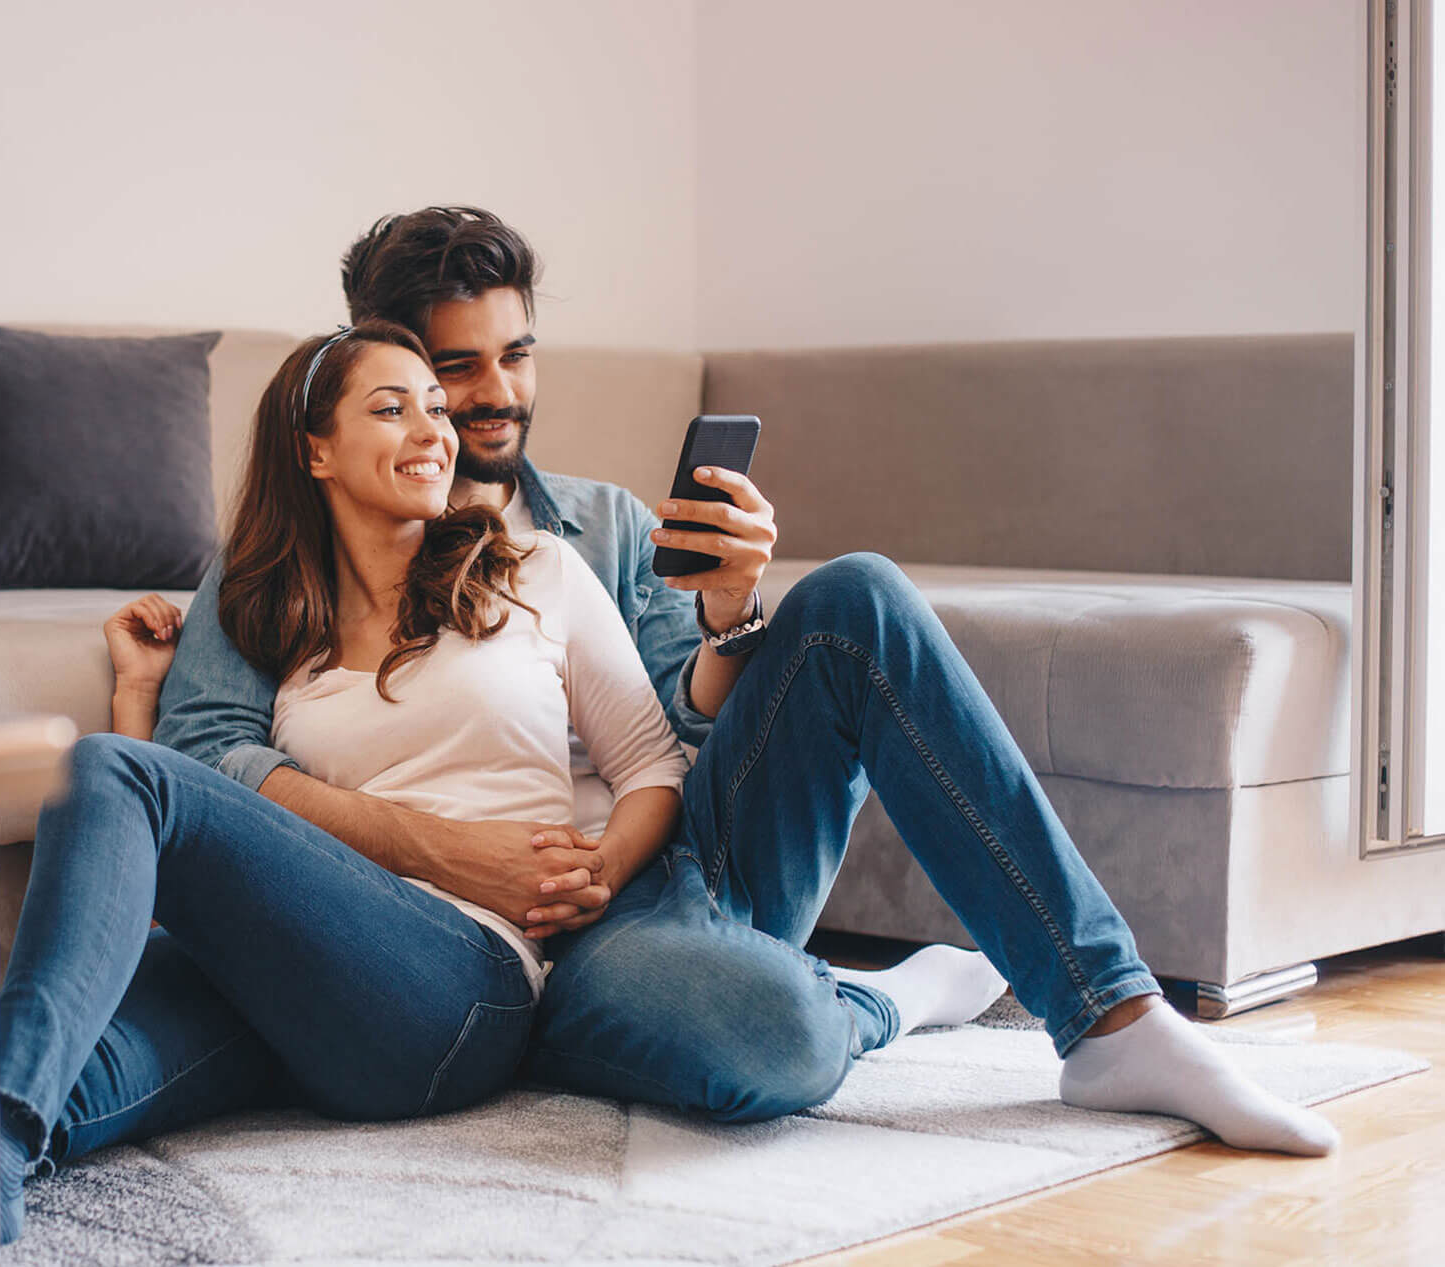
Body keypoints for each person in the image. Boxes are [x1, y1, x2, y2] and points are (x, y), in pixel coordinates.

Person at [164, 206, 1339, 1155]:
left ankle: (1114, 1017)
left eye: (515, 354)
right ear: (375, 370)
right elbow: (203, 750)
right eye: (452, 366)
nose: (494, 393)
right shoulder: (288, 556)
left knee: (856, 596)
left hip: (666, 869)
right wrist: (442, 850)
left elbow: (674, 727)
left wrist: (731, 616)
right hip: (475, 940)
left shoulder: (607, 531)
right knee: (768, 1048)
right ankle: (868, 999)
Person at [0, 320, 695, 1243]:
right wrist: (139, 697)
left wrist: (601, 867)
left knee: (114, 774)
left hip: (456, 993)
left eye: (435, 407)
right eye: (391, 408)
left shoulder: (536, 573)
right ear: (315, 450)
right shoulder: (280, 640)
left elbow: (651, 761)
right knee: (47, 1060)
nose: (433, 428)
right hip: (300, 988)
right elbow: (220, 850)